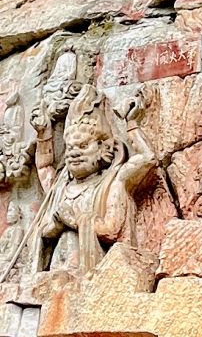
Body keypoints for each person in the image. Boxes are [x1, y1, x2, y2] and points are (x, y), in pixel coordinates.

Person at [29, 85, 156, 275]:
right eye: (70, 147)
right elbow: (43, 167)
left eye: (83, 146)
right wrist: (43, 133)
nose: (74, 153)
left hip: (90, 273)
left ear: (104, 148)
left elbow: (111, 229)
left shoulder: (113, 182)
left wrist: (132, 124)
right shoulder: (61, 188)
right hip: (55, 272)